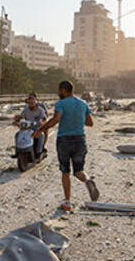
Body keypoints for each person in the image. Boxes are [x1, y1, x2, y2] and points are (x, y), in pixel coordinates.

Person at [33, 81, 99, 211]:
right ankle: (87, 180)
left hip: (64, 140)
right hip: (80, 139)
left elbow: (56, 119)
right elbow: (90, 123)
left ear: (63, 90)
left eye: (59, 90)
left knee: (65, 172)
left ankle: (67, 202)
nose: (58, 93)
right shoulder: (83, 103)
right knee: (79, 170)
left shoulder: (61, 104)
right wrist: (77, 119)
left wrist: (41, 130)